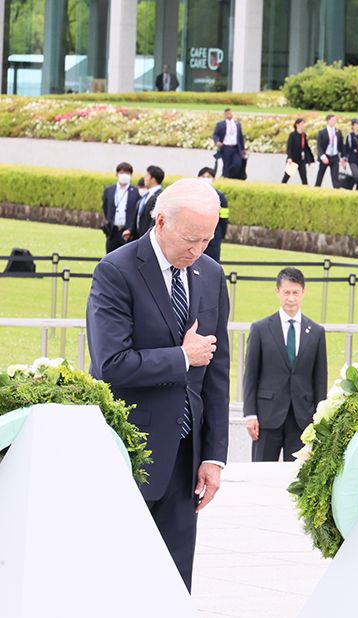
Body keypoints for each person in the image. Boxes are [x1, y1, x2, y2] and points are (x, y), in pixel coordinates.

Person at [85, 178, 230, 591]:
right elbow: (110, 364)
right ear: (160, 221)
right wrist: (182, 357)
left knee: (174, 583)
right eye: (190, 238)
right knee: (120, 580)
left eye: (207, 239)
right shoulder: (116, 270)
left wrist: (214, 456)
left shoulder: (210, 274)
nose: (198, 250)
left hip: (188, 460)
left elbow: (217, 372)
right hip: (132, 452)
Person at [243, 268, 328, 462]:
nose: (291, 298)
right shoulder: (260, 329)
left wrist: (319, 420)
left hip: (302, 419)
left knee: (296, 477)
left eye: (295, 292)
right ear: (277, 292)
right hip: (267, 417)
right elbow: (251, 376)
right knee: (261, 475)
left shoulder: (316, 332)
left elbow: (319, 380)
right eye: (286, 292)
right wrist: (250, 414)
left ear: (303, 293)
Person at [101, 162, 140, 254]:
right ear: (117, 174)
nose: (124, 175)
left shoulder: (135, 192)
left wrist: (131, 229)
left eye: (127, 173)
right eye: (122, 172)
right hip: (112, 231)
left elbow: (136, 212)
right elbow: (106, 208)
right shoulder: (109, 190)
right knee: (110, 257)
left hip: (127, 233)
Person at [198, 167, 229, 264]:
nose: (206, 178)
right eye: (203, 176)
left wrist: (221, 234)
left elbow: (224, 218)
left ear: (213, 179)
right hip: (197, 232)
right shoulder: (194, 194)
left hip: (214, 234)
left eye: (208, 176)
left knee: (212, 262)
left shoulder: (220, 196)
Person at [212, 109, 246, 179]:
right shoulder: (220, 125)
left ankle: (233, 177)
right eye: (227, 114)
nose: (229, 115)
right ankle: (225, 178)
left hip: (236, 148)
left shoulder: (237, 124)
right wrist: (217, 141)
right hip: (226, 148)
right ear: (225, 115)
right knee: (226, 165)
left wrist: (243, 149)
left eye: (230, 113)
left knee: (237, 164)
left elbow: (240, 137)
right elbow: (215, 135)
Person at [133, 165, 164, 239]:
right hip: (138, 236)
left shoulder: (159, 196)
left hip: (148, 238)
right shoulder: (146, 195)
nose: (144, 178)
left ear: (153, 179)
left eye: (147, 176)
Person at [314, 114, 344, 189]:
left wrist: (343, 157)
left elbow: (341, 145)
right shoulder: (322, 132)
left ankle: (337, 192)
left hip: (334, 156)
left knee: (335, 177)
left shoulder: (338, 132)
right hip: (325, 156)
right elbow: (319, 146)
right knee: (320, 175)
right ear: (328, 121)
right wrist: (322, 156)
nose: (335, 121)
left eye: (335, 120)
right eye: (333, 120)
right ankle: (316, 189)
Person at [281, 118, 314, 185]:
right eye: (301, 124)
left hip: (301, 159)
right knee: (287, 176)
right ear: (297, 125)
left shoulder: (303, 135)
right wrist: (289, 157)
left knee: (304, 178)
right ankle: (281, 187)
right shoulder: (292, 135)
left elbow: (306, 148)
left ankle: (306, 191)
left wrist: (309, 159)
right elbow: (289, 147)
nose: (303, 125)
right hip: (293, 159)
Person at [343, 118, 358, 191]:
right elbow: (346, 148)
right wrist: (344, 159)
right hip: (353, 158)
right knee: (356, 176)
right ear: (352, 126)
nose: (357, 126)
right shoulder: (349, 136)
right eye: (355, 125)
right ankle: (350, 186)